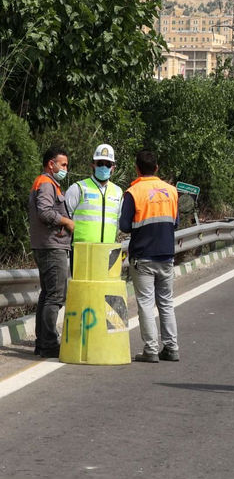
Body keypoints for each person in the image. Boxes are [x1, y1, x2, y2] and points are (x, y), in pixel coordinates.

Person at [119, 150, 180, 363]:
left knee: (145, 302)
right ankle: (171, 347)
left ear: (137, 168)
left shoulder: (133, 192)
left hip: (143, 256)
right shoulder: (172, 191)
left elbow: (124, 226)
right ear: (156, 168)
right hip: (166, 254)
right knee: (166, 302)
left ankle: (151, 349)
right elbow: (176, 222)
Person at [28, 146, 73, 359]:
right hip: (51, 246)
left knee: (47, 295)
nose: (65, 168)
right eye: (63, 164)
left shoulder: (48, 183)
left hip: (47, 245)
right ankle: (48, 343)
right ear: (51, 164)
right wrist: (67, 222)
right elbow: (45, 212)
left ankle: (42, 343)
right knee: (55, 296)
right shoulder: (46, 183)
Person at [64, 143, 123, 246]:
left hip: (107, 251)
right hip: (81, 251)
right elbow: (64, 217)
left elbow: (119, 221)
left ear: (113, 167)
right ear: (93, 164)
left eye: (108, 164)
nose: (104, 167)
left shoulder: (118, 192)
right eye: (100, 163)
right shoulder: (78, 188)